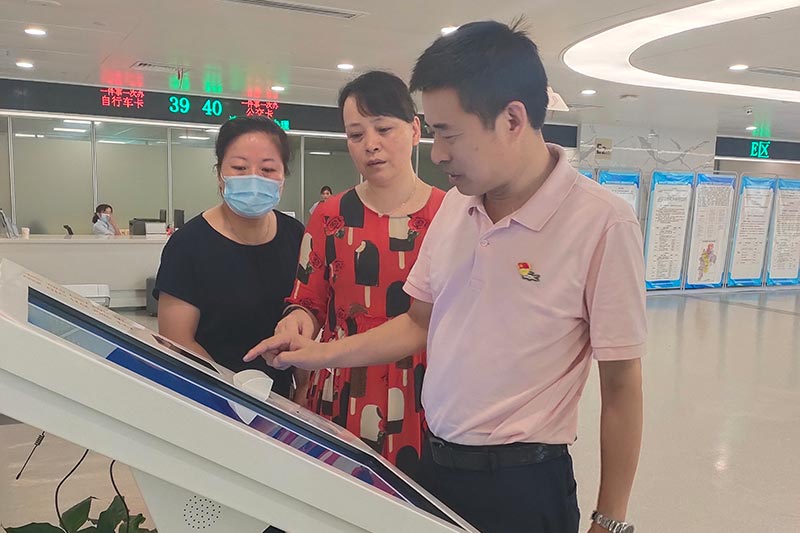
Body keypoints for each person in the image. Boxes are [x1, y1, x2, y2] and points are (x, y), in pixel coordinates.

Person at [247, 21, 645, 533]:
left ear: (512, 119)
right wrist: (317, 354)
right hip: (435, 465)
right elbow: (418, 322)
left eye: (448, 133)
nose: (436, 153)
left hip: (522, 484)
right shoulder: (458, 206)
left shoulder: (601, 223)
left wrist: (611, 520)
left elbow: (621, 384)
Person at [275, 71, 446, 478]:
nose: (370, 144)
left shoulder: (449, 214)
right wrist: (297, 322)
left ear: (415, 130)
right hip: (341, 383)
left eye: (384, 129)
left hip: (424, 387)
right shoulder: (329, 215)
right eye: (355, 135)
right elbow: (308, 300)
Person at [154, 116, 305, 399]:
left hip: (282, 408)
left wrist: (302, 396)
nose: (254, 178)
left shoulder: (296, 236)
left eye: (268, 169)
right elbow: (177, 341)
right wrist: (232, 399)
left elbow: (306, 322)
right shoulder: (188, 245)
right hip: (209, 398)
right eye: (239, 168)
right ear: (219, 174)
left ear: (283, 177)